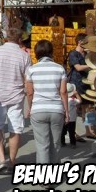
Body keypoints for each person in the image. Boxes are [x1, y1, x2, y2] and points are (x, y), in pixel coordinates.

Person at [0, 28, 31, 173]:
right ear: (20, 40)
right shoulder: (24, 56)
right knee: (15, 128)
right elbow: (28, 80)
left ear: (6, 38)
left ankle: (1, 157)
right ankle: (12, 161)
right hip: (16, 96)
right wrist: (28, 96)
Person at [25, 40, 69, 174]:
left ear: (37, 53)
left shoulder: (31, 70)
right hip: (56, 109)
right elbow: (63, 92)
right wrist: (66, 111)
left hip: (38, 109)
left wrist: (29, 108)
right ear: (51, 52)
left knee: (42, 145)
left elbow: (30, 93)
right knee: (55, 143)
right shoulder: (60, 68)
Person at [61, 83, 82, 148]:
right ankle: (73, 144)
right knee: (72, 132)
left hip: (63, 118)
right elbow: (80, 101)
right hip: (72, 119)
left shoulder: (61, 100)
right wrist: (77, 94)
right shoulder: (73, 100)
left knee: (62, 131)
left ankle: (62, 142)